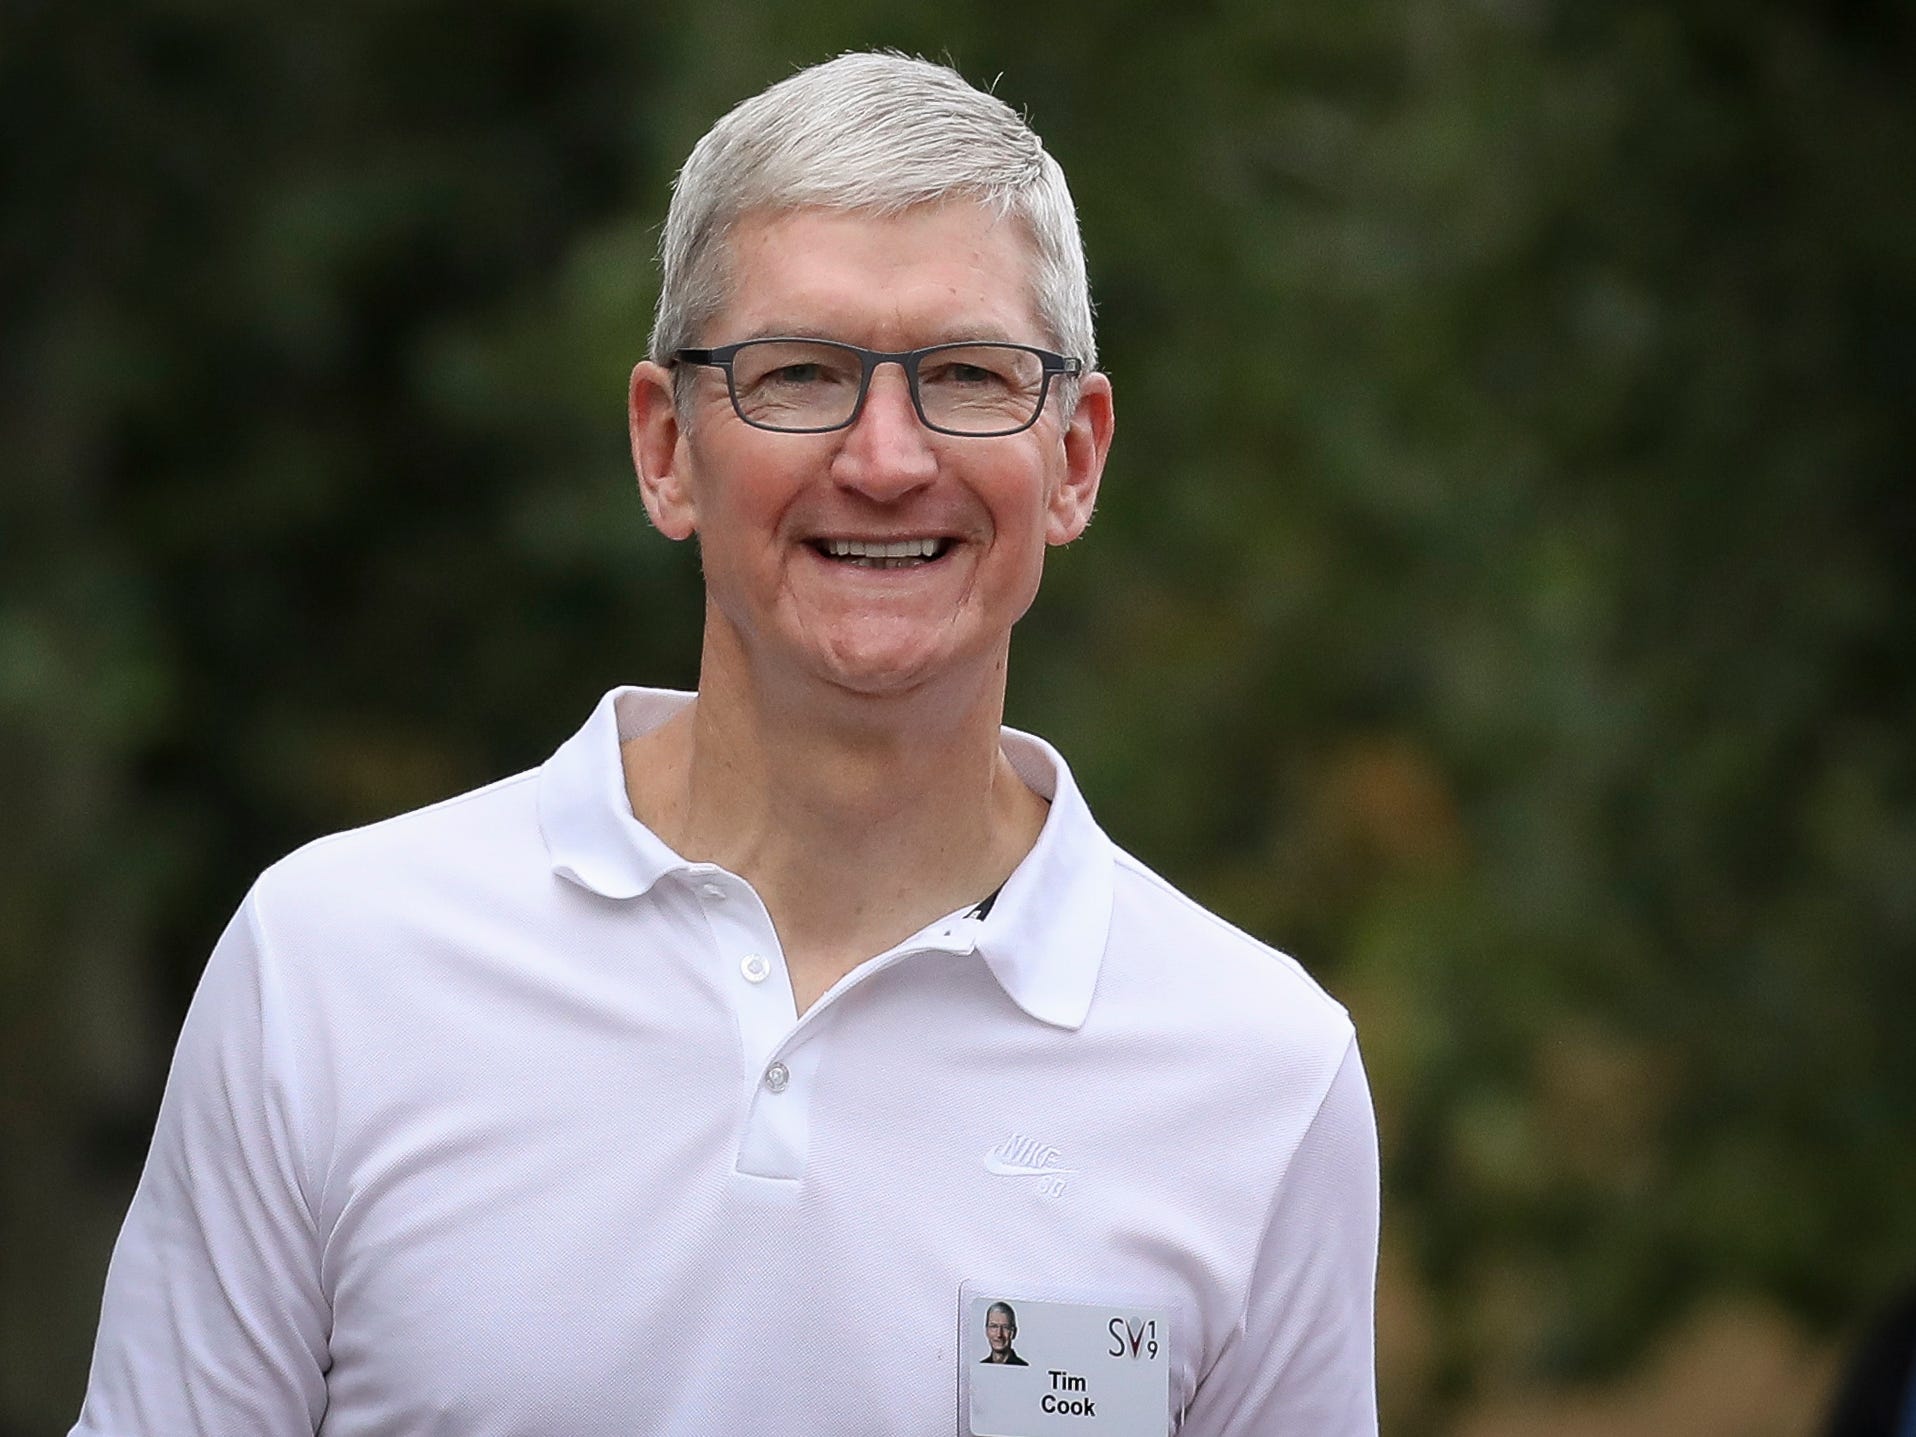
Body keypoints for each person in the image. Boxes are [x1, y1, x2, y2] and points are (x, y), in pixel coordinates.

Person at [71, 51, 1379, 1436]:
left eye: (968, 375)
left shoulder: (1261, 1075)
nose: (885, 458)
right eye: (800, 374)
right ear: (664, 448)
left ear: (1074, 456)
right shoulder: (333, 971)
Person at [982, 1301, 1029, 1366]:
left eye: (1005, 1327)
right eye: (994, 1326)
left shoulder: (1024, 1368)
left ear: (1014, 1332)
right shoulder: (980, 1366)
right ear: (987, 1331)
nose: (999, 1334)